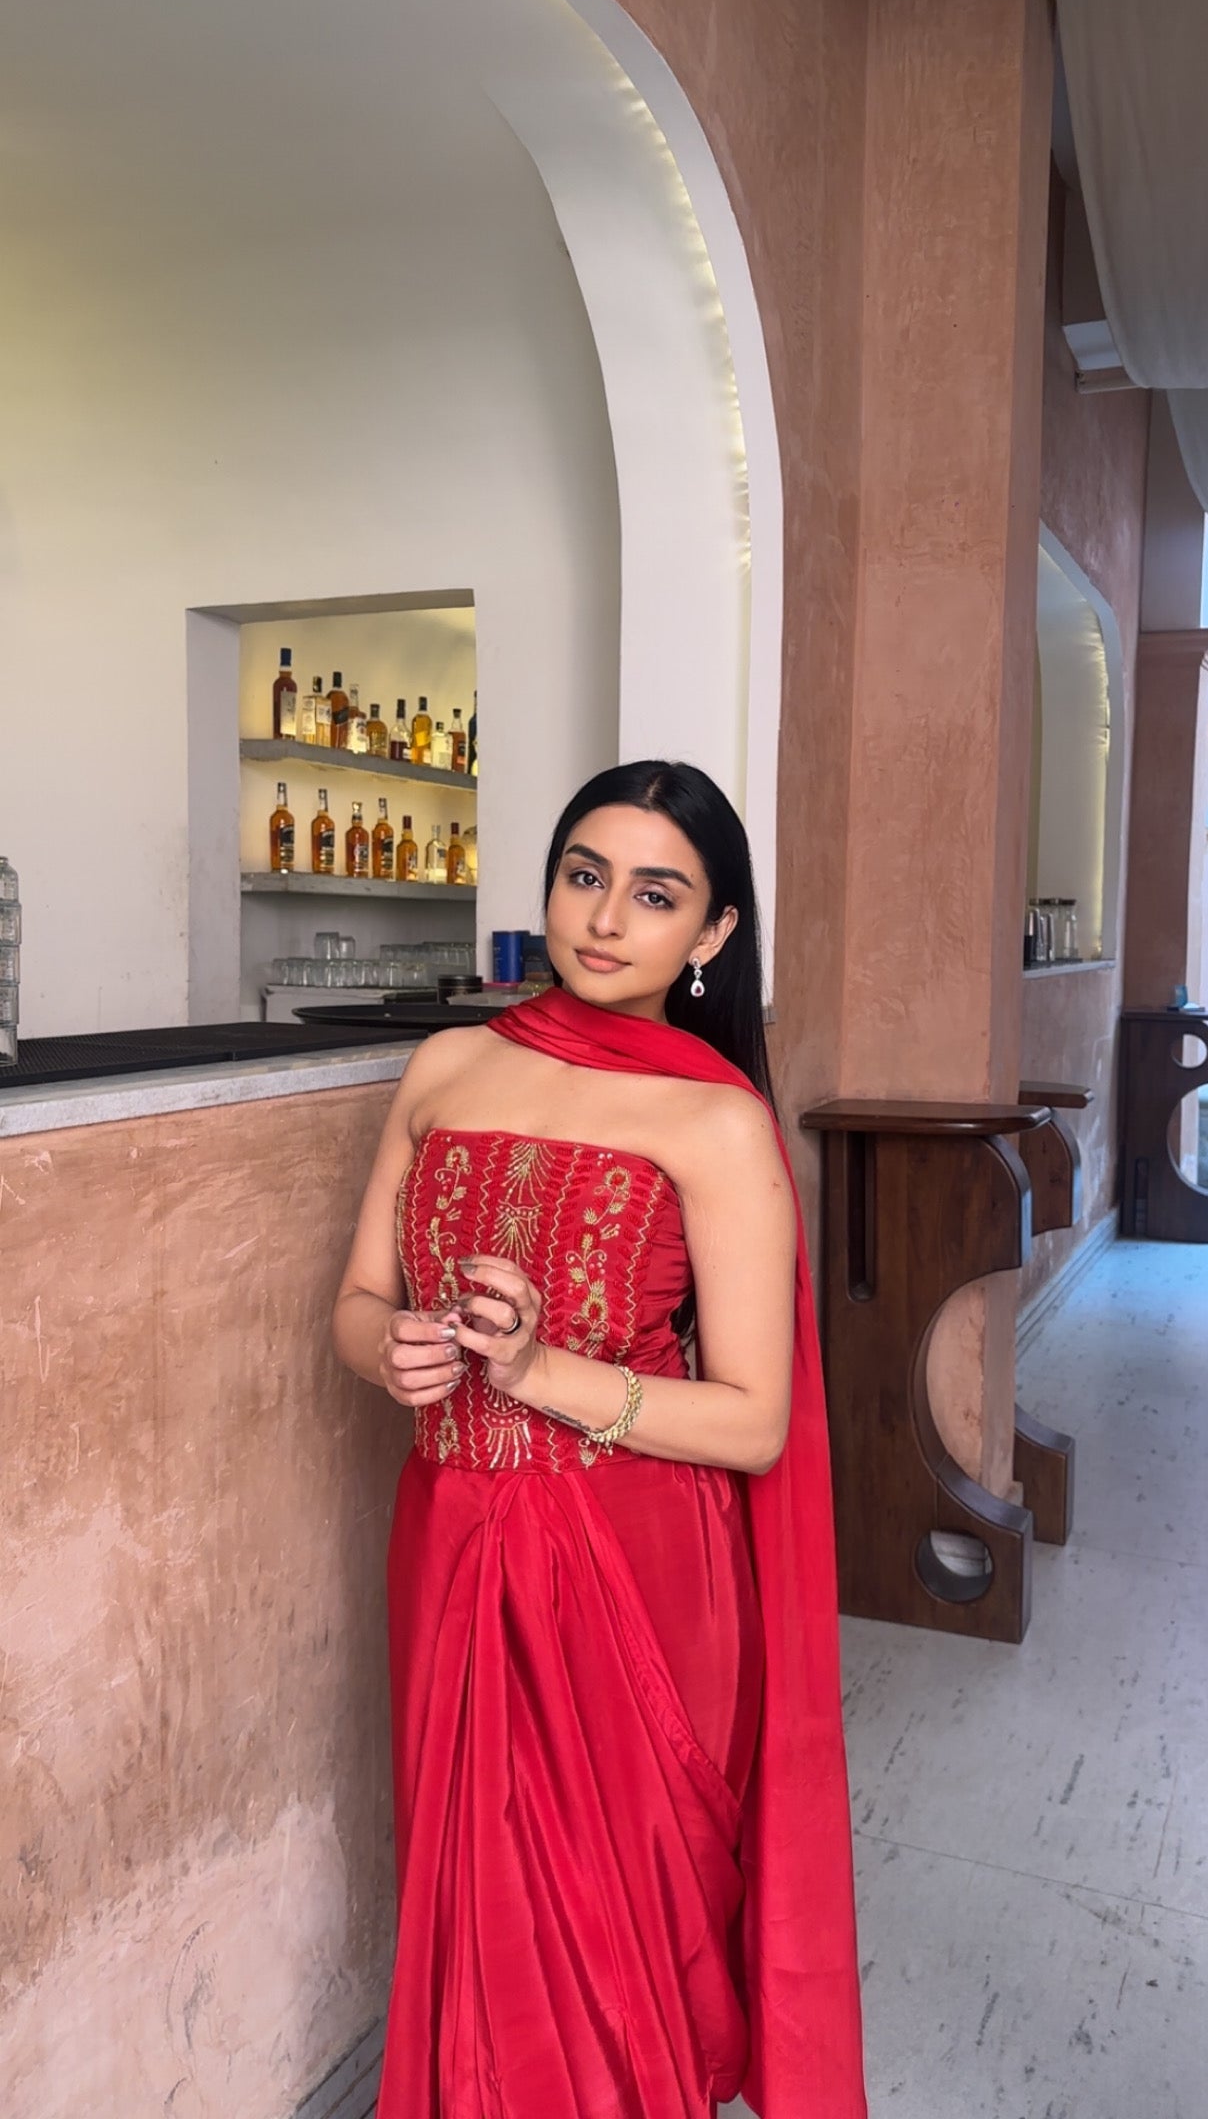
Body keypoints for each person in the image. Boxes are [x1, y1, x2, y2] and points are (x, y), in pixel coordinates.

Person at [332, 759, 867, 2118]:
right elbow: (356, 1301)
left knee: (612, 1931)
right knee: (479, 1903)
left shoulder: (714, 1119)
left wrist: (539, 1372)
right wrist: (385, 1348)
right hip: (451, 1534)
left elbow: (754, 1424)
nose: (606, 918)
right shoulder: (448, 1065)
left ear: (715, 933)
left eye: (656, 893)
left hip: (633, 1563)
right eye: (584, 875)